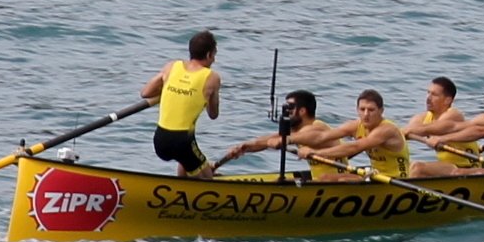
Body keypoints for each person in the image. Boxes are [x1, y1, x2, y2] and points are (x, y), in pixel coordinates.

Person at [141, 29, 222, 178]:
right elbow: (213, 114)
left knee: (186, 160)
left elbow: (145, 93)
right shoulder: (212, 77)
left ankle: (183, 185)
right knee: (207, 178)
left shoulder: (172, 67)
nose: (214, 60)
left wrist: (173, 90)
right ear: (209, 55)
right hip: (182, 141)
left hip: (160, 140)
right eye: (214, 56)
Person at [220, 89, 345, 179]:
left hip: (339, 182)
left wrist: (286, 140)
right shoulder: (295, 132)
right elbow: (269, 140)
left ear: (302, 111)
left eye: (290, 108)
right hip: (320, 181)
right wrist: (245, 147)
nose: (286, 112)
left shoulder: (318, 126)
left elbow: (310, 136)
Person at [298, 89, 411, 180]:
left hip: (397, 180)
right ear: (357, 110)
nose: (366, 114)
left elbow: (355, 147)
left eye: (371, 110)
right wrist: (288, 140)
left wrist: (316, 152)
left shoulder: (386, 129)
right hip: (375, 176)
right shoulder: (356, 125)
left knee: (330, 178)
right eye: (362, 109)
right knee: (326, 178)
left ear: (381, 111)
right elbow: (323, 136)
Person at [402, 76, 481, 178]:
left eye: (434, 95)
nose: (428, 98)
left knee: (418, 168)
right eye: (428, 93)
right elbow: (405, 130)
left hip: (468, 167)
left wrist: (408, 130)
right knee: (406, 167)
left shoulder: (453, 115)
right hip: (448, 167)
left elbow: (433, 128)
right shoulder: (422, 118)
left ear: (447, 100)